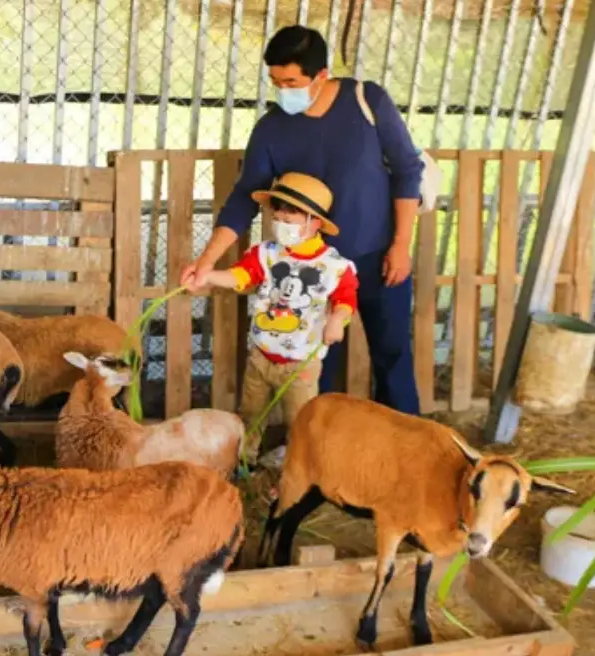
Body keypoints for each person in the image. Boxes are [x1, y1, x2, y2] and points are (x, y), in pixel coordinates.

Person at [181, 25, 424, 415]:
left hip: (377, 255)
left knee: (392, 354)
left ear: (322, 75)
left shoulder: (367, 101)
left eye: (291, 81)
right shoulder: (272, 129)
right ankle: (313, 454)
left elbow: (407, 171)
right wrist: (207, 262)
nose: (282, 90)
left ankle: (410, 444)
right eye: (275, 81)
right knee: (313, 370)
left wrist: (400, 244)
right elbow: (245, 197)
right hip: (308, 269)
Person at [193, 173, 357, 465]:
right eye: (277, 208)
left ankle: (298, 472)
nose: (280, 216)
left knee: (301, 420)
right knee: (251, 413)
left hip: (301, 364)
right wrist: (209, 276)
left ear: (315, 221)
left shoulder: (334, 266)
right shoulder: (266, 254)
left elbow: (345, 301)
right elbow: (242, 276)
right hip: (261, 355)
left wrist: (336, 320)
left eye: (290, 212)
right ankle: (245, 464)